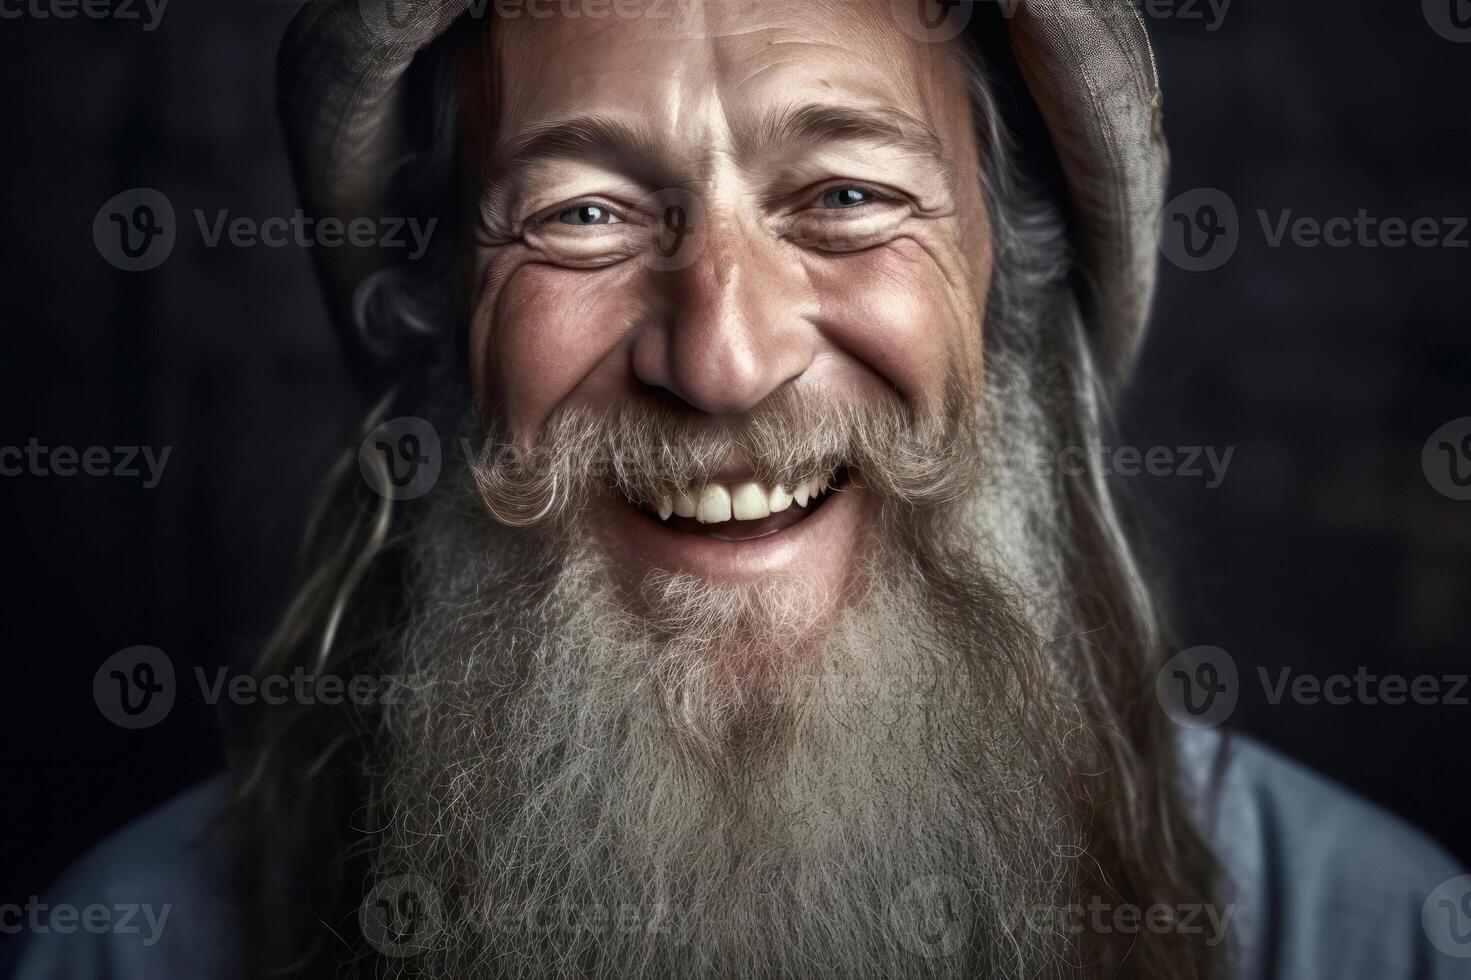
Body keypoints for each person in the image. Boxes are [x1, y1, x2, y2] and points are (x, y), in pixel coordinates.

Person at [8, 1, 1467, 977]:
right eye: (580, 215)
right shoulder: (127, 950)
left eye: (844, 195)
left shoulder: (1378, 942)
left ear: (1012, 303)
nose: (720, 357)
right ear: (443, 327)